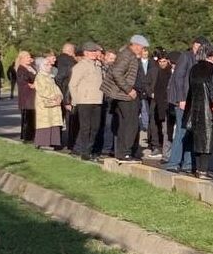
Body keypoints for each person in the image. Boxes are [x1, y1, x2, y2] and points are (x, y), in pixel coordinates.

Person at [164, 37, 209, 172]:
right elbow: (179, 78)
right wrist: (181, 99)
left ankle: (188, 163)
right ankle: (173, 162)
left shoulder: (200, 59)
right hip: (184, 100)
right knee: (181, 131)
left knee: (191, 131)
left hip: (194, 99)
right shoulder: (186, 57)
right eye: (197, 46)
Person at [101, 35, 148, 163]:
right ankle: (126, 153)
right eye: (142, 47)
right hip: (125, 96)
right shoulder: (128, 55)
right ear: (136, 45)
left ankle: (121, 152)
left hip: (121, 95)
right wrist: (128, 89)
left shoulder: (125, 54)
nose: (142, 50)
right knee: (130, 124)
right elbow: (117, 72)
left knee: (123, 124)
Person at [185, 45, 213, 179]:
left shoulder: (194, 69)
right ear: (211, 55)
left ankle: (199, 169)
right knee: (207, 139)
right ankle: (203, 170)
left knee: (198, 139)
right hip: (208, 108)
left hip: (195, 107)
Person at [68, 42, 105, 161]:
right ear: (86, 53)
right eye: (92, 51)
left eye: (96, 51)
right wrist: (76, 100)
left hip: (98, 100)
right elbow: (72, 85)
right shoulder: (80, 66)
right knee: (86, 128)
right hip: (84, 101)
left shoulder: (98, 65)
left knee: (95, 127)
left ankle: (90, 149)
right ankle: (85, 152)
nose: (95, 53)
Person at [32, 52, 64, 149]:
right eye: (47, 65)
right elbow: (42, 90)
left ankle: (53, 142)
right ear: (41, 66)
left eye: (50, 65)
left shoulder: (49, 77)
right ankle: (43, 143)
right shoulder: (40, 77)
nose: (50, 66)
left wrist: (59, 96)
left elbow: (56, 88)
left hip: (54, 103)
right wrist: (53, 96)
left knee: (53, 122)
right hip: (44, 105)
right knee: (45, 123)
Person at [149, 51, 175, 159]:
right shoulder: (160, 73)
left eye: (165, 61)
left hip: (171, 104)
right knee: (166, 131)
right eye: (161, 61)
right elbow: (158, 90)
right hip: (164, 105)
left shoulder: (169, 72)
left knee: (171, 131)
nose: (163, 63)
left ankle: (170, 153)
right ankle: (166, 154)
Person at [55, 42, 78, 148]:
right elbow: (68, 80)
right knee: (70, 120)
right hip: (67, 94)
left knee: (58, 119)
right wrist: (67, 98)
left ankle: (56, 142)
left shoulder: (56, 61)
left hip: (56, 93)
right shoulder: (71, 62)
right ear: (71, 51)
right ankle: (71, 143)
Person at [15, 51, 37, 142]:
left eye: (30, 57)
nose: (29, 58)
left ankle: (32, 135)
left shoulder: (31, 67)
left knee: (32, 117)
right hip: (26, 97)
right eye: (27, 57)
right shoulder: (21, 69)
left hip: (33, 96)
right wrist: (33, 85)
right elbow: (23, 82)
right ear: (22, 59)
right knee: (27, 118)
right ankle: (26, 137)